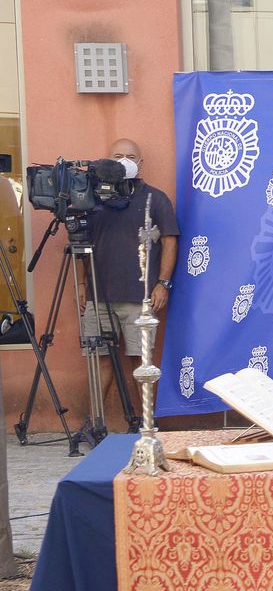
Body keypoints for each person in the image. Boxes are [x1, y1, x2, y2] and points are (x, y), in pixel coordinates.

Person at [83, 138, 178, 427]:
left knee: (142, 363)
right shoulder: (92, 199)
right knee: (100, 361)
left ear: (140, 163)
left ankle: (148, 424)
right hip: (98, 297)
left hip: (140, 297)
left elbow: (170, 240)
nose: (125, 161)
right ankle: (95, 423)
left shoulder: (155, 198)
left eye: (130, 156)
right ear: (107, 160)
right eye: (118, 156)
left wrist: (163, 283)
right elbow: (82, 244)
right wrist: (81, 288)